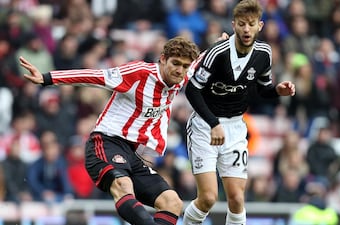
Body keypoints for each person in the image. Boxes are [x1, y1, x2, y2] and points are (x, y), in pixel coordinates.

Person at [20, 36, 199, 225]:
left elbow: (200, 61)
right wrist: (47, 78)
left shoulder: (181, 76)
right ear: (162, 58)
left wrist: (222, 44)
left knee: (172, 202)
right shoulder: (139, 73)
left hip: (133, 155)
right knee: (123, 185)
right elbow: (95, 77)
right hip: (106, 143)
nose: (180, 70)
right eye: (175, 63)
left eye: (185, 66)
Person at [182, 1, 296, 225]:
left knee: (236, 198)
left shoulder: (264, 53)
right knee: (208, 198)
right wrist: (213, 123)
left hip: (235, 127)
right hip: (206, 126)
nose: (246, 29)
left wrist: (277, 91)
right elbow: (192, 90)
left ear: (260, 26)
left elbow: (263, 88)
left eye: (251, 24)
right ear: (233, 24)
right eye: (242, 24)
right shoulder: (218, 52)